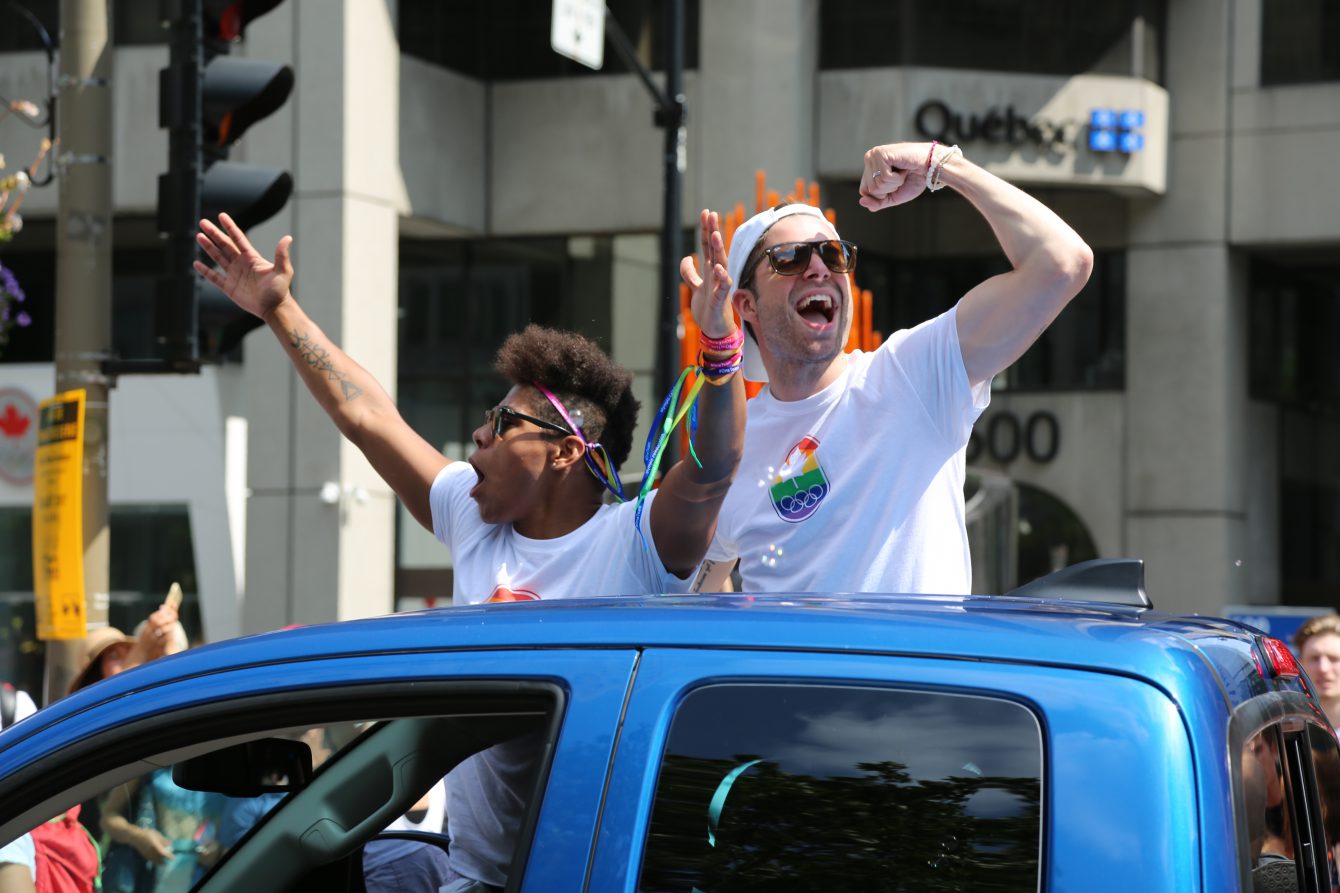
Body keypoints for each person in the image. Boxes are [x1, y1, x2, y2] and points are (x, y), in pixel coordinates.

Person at [194, 210, 745, 893]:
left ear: (566, 450)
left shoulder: (634, 543)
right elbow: (367, 415)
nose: (479, 435)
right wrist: (279, 307)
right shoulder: (474, 519)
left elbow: (713, 467)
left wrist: (719, 343)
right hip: (471, 877)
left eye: (503, 422)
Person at [693, 140, 1093, 594]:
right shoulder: (735, 445)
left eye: (834, 254)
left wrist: (942, 164)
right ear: (746, 305)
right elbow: (698, 590)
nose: (819, 268)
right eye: (791, 258)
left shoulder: (911, 374)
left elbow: (1064, 264)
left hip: (913, 647)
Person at [1295, 613, 1340, 726]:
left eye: (1333, 659)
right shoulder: (1281, 729)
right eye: (1314, 658)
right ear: (1300, 665)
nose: (1323, 668)